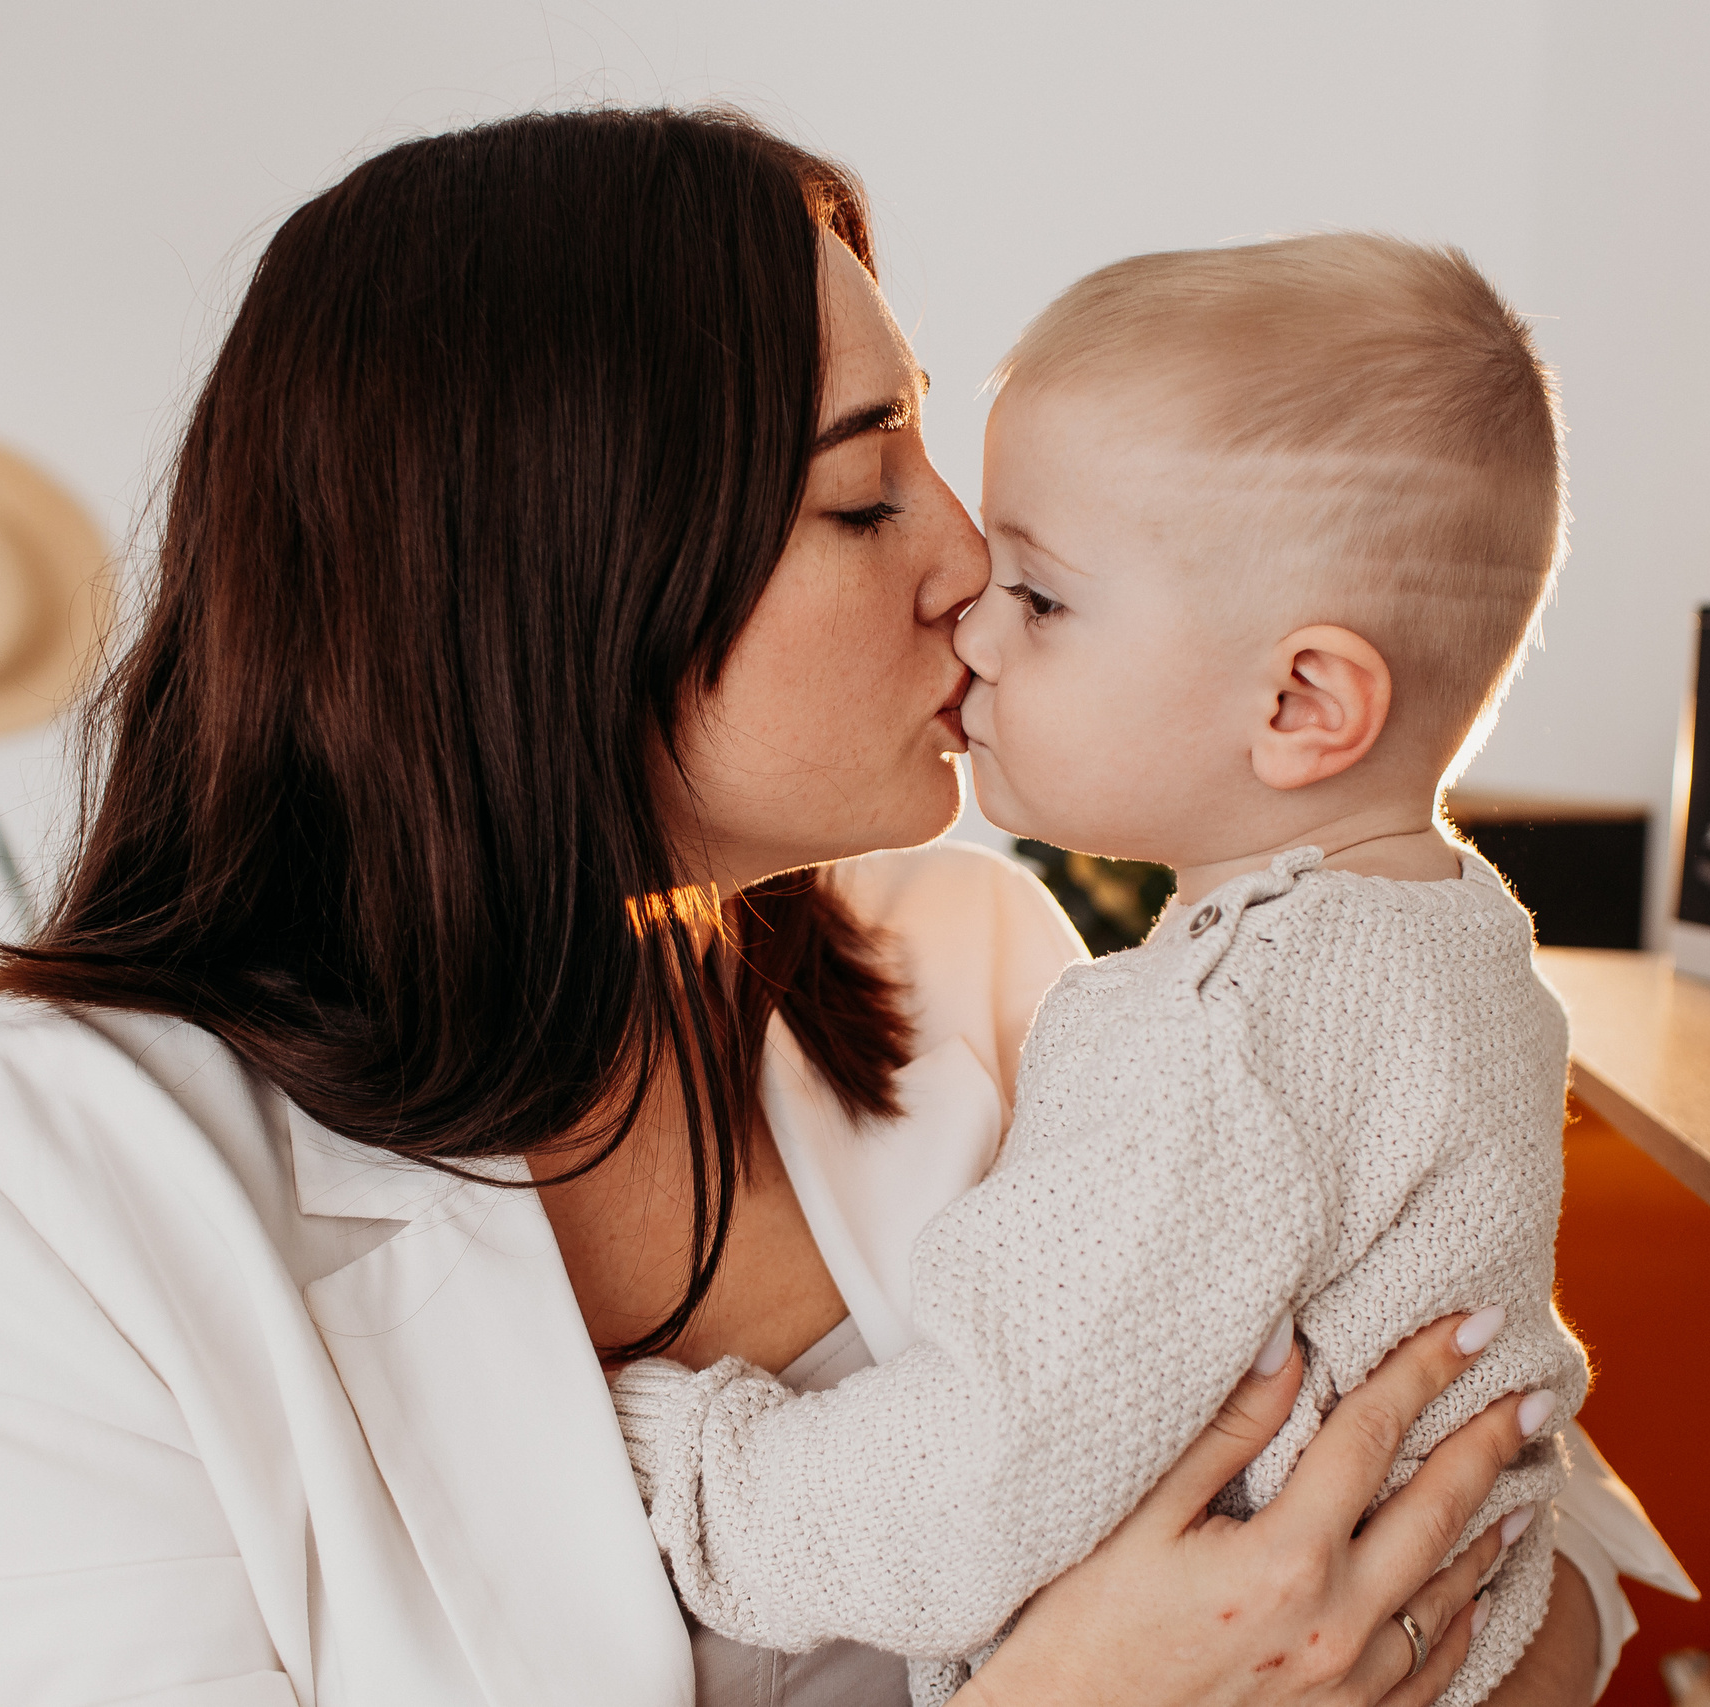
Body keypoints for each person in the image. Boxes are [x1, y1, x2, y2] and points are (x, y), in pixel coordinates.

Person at [0, 107, 1675, 1707]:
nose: (963, 566)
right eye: (867, 500)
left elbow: (1530, 1526)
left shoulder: (995, 963)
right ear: (552, 580)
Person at [612, 233, 1638, 1707]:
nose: (970, 606)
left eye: (1041, 596)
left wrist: (672, 1462)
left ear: (1302, 702)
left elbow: (972, 1490)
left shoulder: (1215, 1045)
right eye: (861, 499)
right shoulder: (1466, 943)